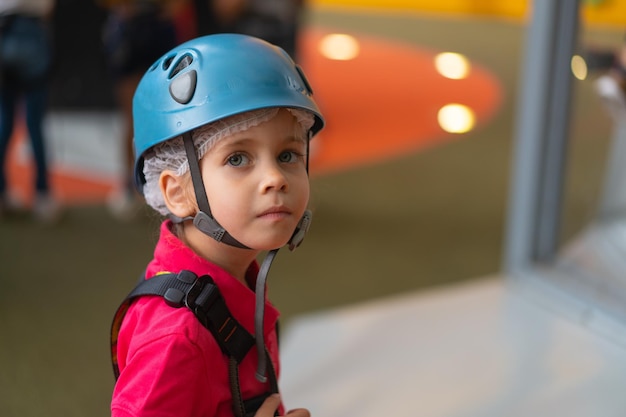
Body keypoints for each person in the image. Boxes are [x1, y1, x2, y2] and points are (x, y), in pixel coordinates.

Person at [110, 34, 324, 417]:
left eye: (288, 154)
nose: (275, 178)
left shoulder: (234, 277)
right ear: (177, 192)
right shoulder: (177, 338)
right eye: (238, 158)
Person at [99, 0, 183, 219]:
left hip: (159, 31)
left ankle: (171, 181)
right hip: (130, 32)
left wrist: (167, 11)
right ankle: (130, 186)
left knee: (169, 115)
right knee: (133, 117)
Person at [0, 0, 59, 222]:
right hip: (31, 31)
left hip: (4, 30)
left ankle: (2, 195)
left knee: (4, 120)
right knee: (34, 122)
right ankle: (42, 195)